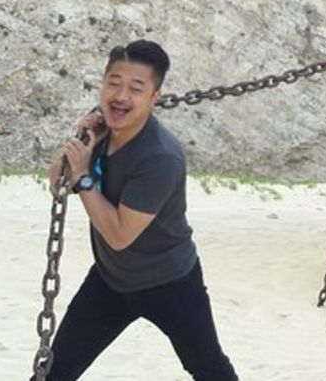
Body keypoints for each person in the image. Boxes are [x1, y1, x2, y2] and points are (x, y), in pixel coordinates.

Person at [37, 40, 237, 381]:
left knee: (208, 369)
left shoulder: (161, 157)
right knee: (56, 369)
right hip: (110, 279)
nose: (121, 96)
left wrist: (84, 177)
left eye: (135, 88)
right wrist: (84, 140)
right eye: (113, 83)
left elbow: (118, 234)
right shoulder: (103, 129)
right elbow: (57, 180)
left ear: (154, 97)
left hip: (170, 281)